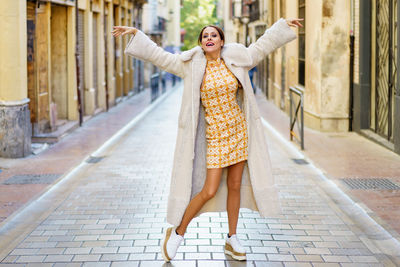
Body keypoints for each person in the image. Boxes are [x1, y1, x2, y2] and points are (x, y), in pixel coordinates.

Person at [112, 17, 303, 262]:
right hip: (215, 136)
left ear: (222, 41)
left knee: (235, 186)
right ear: (201, 44)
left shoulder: (237, 59)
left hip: (238, 132)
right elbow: (161, 57)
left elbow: (261, 47)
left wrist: (282, 26)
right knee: (209, 190)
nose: (209, 38)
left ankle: (233, 238)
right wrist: (137, 34)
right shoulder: (191, 65)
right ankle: (178, 232)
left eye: (213, 35)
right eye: (205, 36)